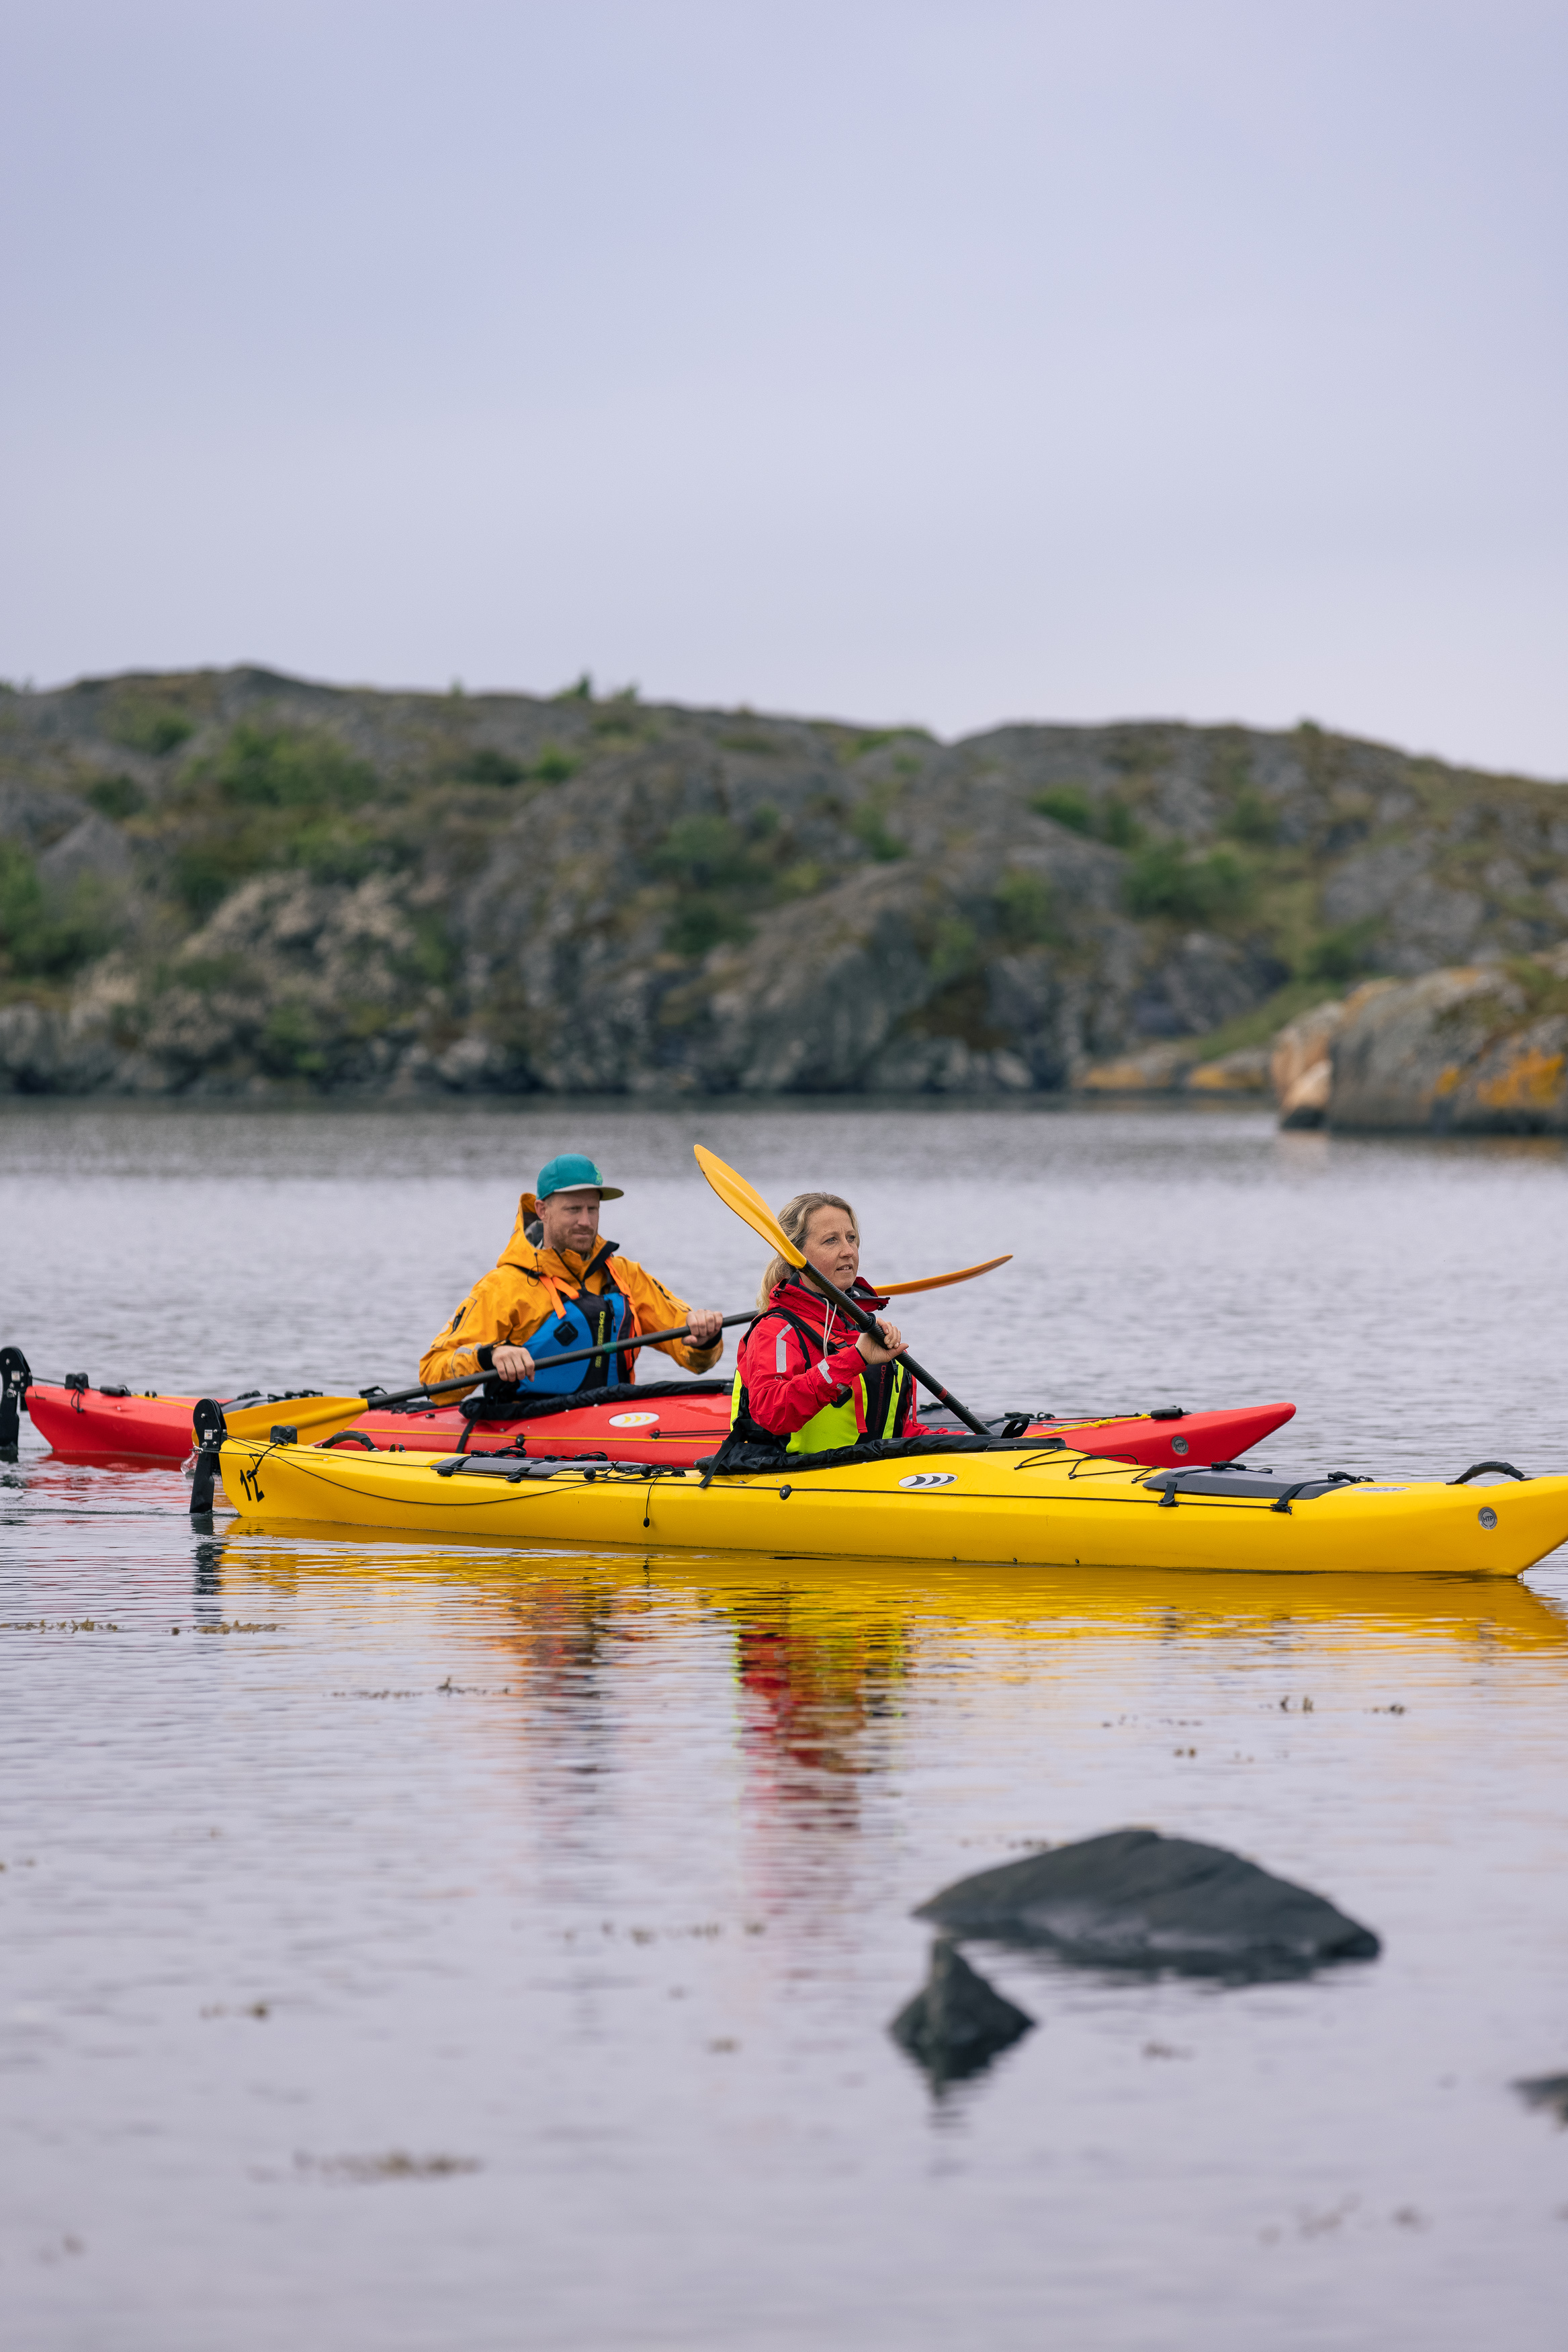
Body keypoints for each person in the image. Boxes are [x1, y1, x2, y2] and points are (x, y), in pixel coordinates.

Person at [419, 1154, 725, 1396]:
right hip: (526, 1429)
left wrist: (704, 1339)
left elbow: (696, 1361)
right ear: (542, 1210)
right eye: (573, 1209)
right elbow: (433, 1373)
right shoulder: (502, 1287)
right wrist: (488, 1356)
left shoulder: (624, 1275)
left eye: (593, 1209)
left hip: (612, 1421)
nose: (585, 1221)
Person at [728, 1191, 923, 1455]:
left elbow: (899, 1432)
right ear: (795, 1253)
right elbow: (772, 1414)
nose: (848, 1251)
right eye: (831, 1241)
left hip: (867, 1477)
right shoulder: (775, 1331)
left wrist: (971, 1444)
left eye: (851, 1238)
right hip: (790, 1481)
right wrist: (855, 1359)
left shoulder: (859, 1325)